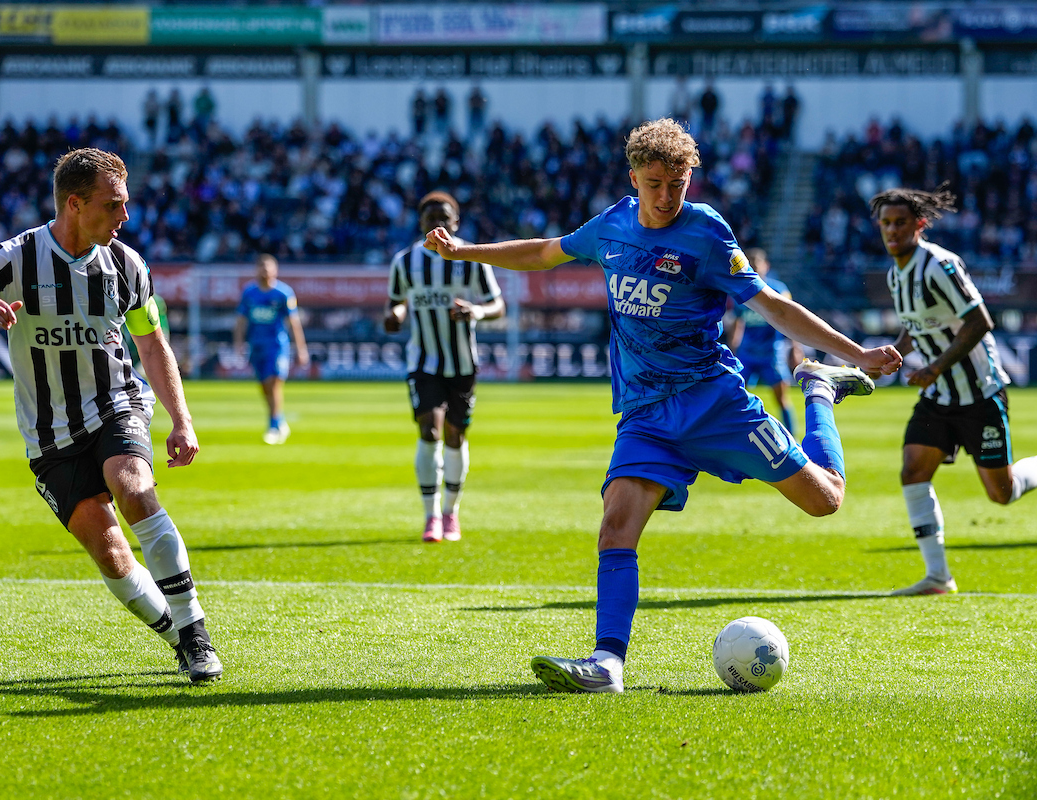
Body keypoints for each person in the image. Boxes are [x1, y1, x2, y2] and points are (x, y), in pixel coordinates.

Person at [424, 118, 902, 693]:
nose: (668, 195)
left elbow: (770, 304)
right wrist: (465, 251)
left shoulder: (706, 233)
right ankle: (607, 664)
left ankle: (821, 390)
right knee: (616, 527)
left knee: (825, 500)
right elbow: (547, 252)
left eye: (679, 182)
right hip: (646, 413)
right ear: (634, 178)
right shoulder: (613, 225)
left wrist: (854, 352)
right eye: (655, 183)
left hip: (713, 403)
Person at [0, 147, 223, 683]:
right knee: (111, 553)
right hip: (48, 433)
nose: (125, 217)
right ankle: (181, 631)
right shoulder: (16, 258)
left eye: (126, 204)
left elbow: (154, 346)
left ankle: (196, 631)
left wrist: (181, 419)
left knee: (133, 486)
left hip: (117, 402)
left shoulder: (127, 264)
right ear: (74, 203)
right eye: (114, 206)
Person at [873, 186, 1037, 596]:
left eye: (900, 223)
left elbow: (979, 320)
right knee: (913, 471)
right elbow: (917, 323)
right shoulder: (896, 274)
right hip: (939, 396)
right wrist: (895, 352)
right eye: (886, 224)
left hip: (979, 392)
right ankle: (938, 576)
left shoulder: (939, 265)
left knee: (1002, 493)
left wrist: (934, 366)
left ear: (919, 225)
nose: (891, 231)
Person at [384, 191, 504, 543]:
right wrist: (394, 316)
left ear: (455, 223)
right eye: (429, 218)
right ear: (420, 224)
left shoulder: (471, 258)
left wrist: (477, 311)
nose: (436, 223)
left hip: (463, 362)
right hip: (423, 361)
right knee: (429, 430)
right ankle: (431, 515)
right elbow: (397, 303)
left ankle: (451, 512)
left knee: (455, 435)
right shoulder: (405, 262)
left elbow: (497, 304)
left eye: (444, 218)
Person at [233, 254, 309, 444]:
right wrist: (239, 342)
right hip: (256, 345)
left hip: (277, 346)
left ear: (275, 270)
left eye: (268, 268)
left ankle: (274, 426)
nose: (264, 271)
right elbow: (241, 320)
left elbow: (294, 322)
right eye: (261, 267)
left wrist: (301, 349)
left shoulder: (284, 293)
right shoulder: (249, 293)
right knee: (265, 386)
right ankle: (279, 419)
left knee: (274, 382)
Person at [727, 248, 802, 436]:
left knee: (781, 399)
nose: (752, 266)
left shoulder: (778, 289)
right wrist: (732, 350)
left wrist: (794, 346)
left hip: (771, 353)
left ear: (765, 266)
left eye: (755, 262)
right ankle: (736, 437)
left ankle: (792, 440)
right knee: (734, 397)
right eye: (748, 262)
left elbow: (791, 320)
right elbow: (738, 322)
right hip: (747, 353)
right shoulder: (740, 291)